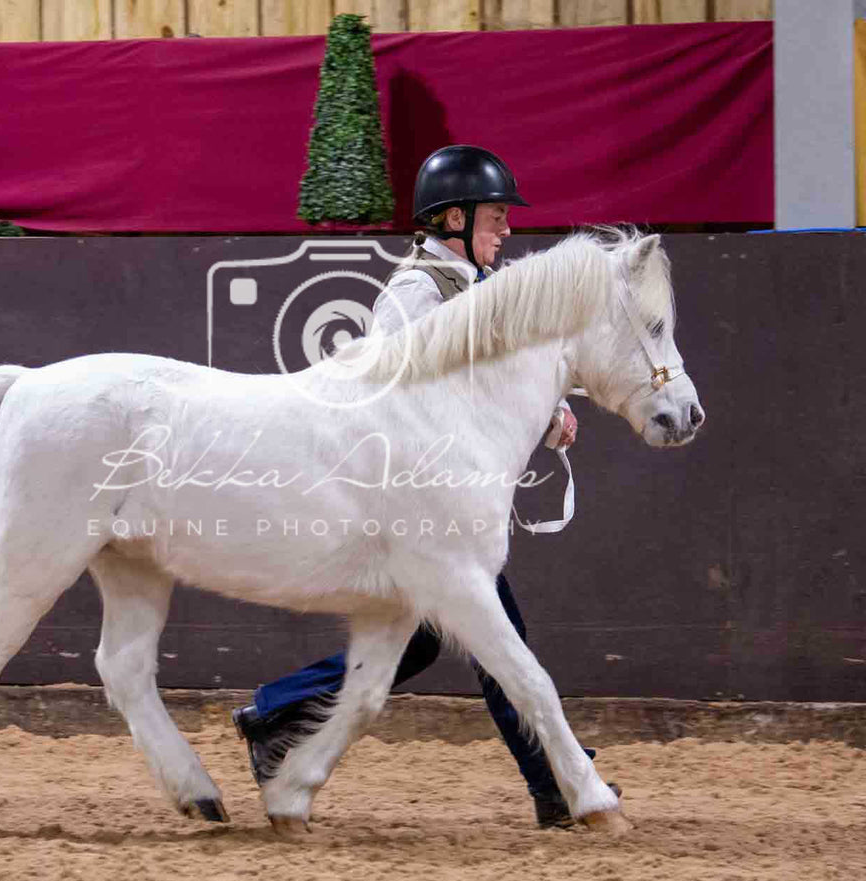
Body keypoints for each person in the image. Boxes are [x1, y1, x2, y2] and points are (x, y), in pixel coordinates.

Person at [233, 145, 614, 829]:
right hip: (409, 501)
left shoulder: (476, 288)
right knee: (501, 638)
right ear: (452, 218)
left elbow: (484, 390)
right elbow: (389, 385)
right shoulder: (417, 290)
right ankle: (558, 780)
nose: (505, 230)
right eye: (494, 217)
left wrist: (547, 410)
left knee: (421, 642)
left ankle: (274, 718)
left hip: (443, 503)